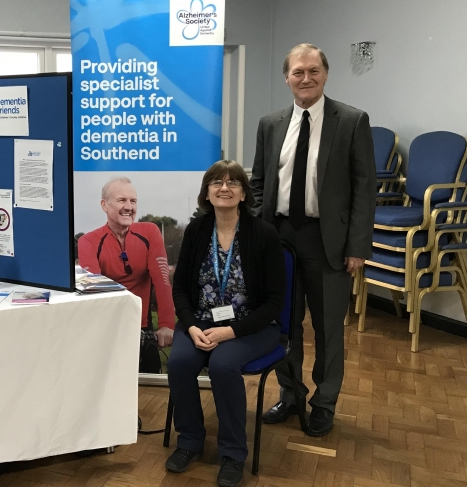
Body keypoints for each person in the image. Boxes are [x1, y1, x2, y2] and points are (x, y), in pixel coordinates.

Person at [250, 43, 376, 437]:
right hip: (279, 239)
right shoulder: (270, 123)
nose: (306, 78)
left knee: (328, 328)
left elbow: (364, 188)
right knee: (284, 325)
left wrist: (357, 246)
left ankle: (324, 403)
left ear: (325, 74)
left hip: (328, 242)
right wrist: (257, 234)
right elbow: (258, 182)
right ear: (286, 78)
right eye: (298, 72)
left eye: (313, 71)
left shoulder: (352, 121)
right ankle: (291, 395)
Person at [165, 160, 284, 486]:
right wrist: (191, 326)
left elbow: (274, 302)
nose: (225, 188)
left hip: (252, 326)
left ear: (244, 193)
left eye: (233, 183)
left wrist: (229, 331)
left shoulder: (264, 234)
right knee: (179, 362)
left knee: (222, 364)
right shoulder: (196, 230)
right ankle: (189, 441)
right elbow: (180, 289)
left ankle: (232, 453)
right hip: (201, 322)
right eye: (217, 182)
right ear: (207, 192)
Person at [78, 177, 175, 373]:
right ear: (104, 205)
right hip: (108, 326)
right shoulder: (88, 241)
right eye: (122, 200)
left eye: (133, 201)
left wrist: (166, 325)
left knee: (150, 382)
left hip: (144, 326)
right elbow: (95, 292)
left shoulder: (149, 232)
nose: (129, 207)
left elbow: (162, 280)